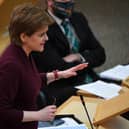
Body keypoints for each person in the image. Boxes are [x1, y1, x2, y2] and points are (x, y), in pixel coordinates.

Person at [0, 3, 87, 129]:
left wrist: (60, 75)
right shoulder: (11, 65)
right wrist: (39, 115)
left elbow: (28, 80)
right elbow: (2, 112)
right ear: (24, 36)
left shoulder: (23, 51)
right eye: (41, 34)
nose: (46, 38)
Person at [32, 0, 106, 106]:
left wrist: (78, 56)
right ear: (49, 2)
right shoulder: (39, 28)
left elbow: (100, 54)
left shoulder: (78, 18)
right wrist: (88, 58)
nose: (69, 5)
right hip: (64, 89)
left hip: (91, 80)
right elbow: (60, 69)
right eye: (64, 2)